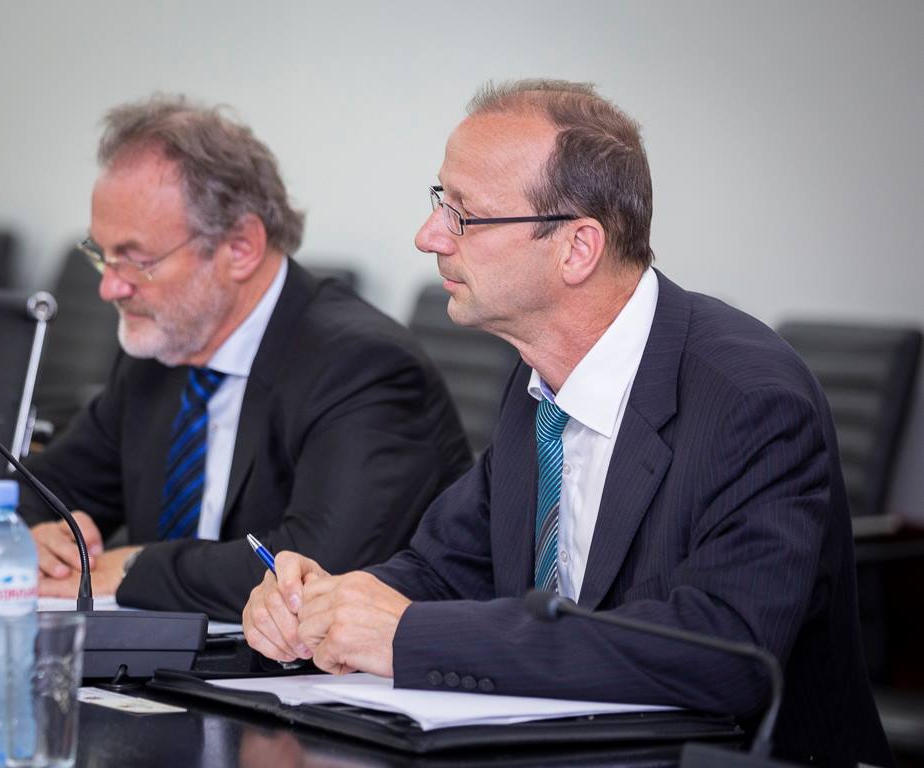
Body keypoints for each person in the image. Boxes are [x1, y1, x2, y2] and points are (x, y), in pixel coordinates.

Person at [243, 80, 892, 765]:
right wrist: (326, 604)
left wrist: (408, 636)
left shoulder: (750, 401)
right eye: (439, 203)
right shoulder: (538, 379)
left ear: (577, 248)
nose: (428, 236)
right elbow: (445, 568)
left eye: (463, 215)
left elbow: (723, 653)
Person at [21, 95, 472, 621]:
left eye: (136, 260)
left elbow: (315, 569)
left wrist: (136, 567)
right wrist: (34, 535)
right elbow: (40, 491)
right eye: (102, 255)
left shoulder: (365, 367)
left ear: (240, 248)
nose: (109, 287)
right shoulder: (160, 347)